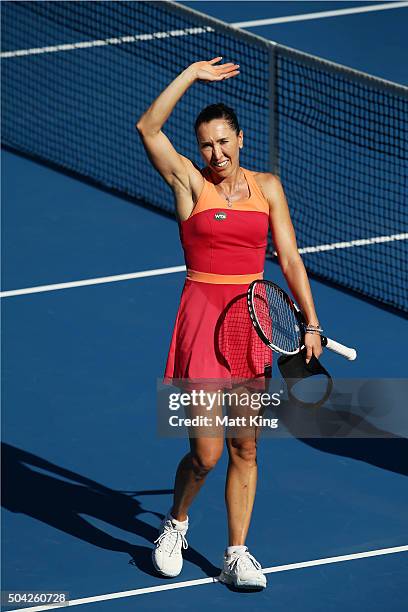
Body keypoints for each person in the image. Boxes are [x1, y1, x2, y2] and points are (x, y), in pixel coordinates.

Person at [136, 57, 322, 590]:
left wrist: (310, 321)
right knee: (206, 453)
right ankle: (176, 524)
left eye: (223, 142)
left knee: (246, 446)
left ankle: (236, 553)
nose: (214, 154)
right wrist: (191, 76)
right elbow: (148, 128)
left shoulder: (268, 187)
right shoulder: (191, 184)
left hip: (251, 329)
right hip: (200, 328)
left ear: (240, 138)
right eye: (205, 145)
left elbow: (288, 259)